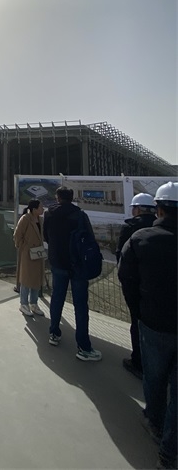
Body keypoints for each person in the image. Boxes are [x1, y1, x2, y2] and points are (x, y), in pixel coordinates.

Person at [118, 182, 177, 470]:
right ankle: (169, 452)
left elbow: (125, 276)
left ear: (159, 209)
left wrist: (138, 310)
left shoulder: (141, 238)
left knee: (154, 378)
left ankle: (154, 422)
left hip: (154, 323)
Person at [43, 186, 102, 361]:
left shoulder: (49, 214)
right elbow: (89, 238)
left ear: (57, 197)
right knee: (80, 305)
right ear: (72, 198)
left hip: (57, 263)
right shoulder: (79, 215)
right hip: (77, 265)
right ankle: (83, 346)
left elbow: (46, 236)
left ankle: (54, 333)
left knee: (57, 298)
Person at [116, 192, 157, 379]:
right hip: (161, 286)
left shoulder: (130, 228)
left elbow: (121, 255)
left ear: (137, 209)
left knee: (137, 322)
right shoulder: (159, 226)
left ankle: (138, 362)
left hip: (135, 284)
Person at [13, 199, 46, 316]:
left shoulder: (40, 220)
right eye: (40, 207)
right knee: (26, 279)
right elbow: (17, 235)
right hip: (27, 253)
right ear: (34, 209)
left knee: (36, 279)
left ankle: (34, 303)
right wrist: (23, 247)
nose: (42, 209)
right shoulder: (25, 219)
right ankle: (23, 304)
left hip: (38, 252)